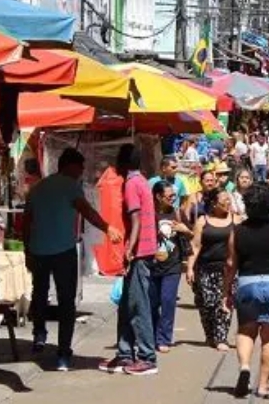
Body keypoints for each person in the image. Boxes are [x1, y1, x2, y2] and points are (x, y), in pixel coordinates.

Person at [24, 149, 123, 371]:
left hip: (38, 250)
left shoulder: (38, 187)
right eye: (80, 168)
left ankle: (39, 333)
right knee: (66, 303)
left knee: (39, 294)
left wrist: (27, 251)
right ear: (70, 166)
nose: (81, 172)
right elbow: (86, 211)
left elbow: (26, 221)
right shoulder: (71, 186)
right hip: (63, 252)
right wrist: (107, 228)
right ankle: (63, 354)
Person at [224, 183, 269, 398]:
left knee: (246, 330)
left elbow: (230, 263)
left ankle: (245, 366)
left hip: (246, 283)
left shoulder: (238, 230)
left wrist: (226, 290)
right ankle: (263, 385)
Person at [101, 144, 159, 376]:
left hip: (140, 252)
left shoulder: (132, 184)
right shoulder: (141, 180)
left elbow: (135, 220)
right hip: (143, 250)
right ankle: (125, 354)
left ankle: (147, 356)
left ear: (122, 163)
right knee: (126, 305)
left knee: (138, 305)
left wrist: (129, 247)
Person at [187, 189, 237, 351]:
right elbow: (195, 246)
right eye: (224, 200)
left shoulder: (236, 220)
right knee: (207, 304)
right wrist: (189, 268)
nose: (228, 203)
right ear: (215, 203)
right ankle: (210, 335)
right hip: (205, 269)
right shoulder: (203, 221)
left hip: (227, 269)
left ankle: (221, 337)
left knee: (224, 302)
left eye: (229, 200)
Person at [149, 181, 191, 354]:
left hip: (172, 265)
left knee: (167, 301)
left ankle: (164, 338)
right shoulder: (149, 214)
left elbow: (193, 235)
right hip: (151, 265)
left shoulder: (178, 213)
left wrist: (184, 229)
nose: (173, 199)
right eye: (169, 196)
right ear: (158, 197)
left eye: (174, 196)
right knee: (152, 303)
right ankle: (151, 335)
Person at [149, 157, 190, 224]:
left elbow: (184, 200)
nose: (176, 170)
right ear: (164, 168)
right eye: (173, 167)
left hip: (173, 218)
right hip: (157, 217)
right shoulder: (152, 182)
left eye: (176, 167)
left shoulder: (179, 182)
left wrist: (181, 214)